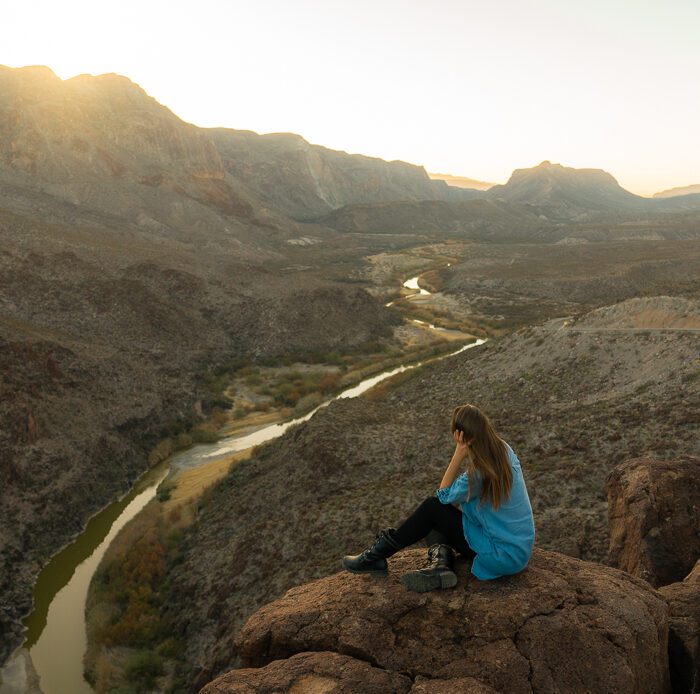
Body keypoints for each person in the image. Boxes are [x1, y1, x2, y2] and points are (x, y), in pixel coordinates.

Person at [342, 404, 536, 591]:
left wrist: (458, 453)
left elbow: (442, 497)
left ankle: (376, 556)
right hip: (519, 550)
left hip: (500, 557)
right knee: (436, 519)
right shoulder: (504, 450)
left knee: (431, 508)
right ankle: (440, 565)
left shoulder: (478, 474)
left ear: (461, 436)